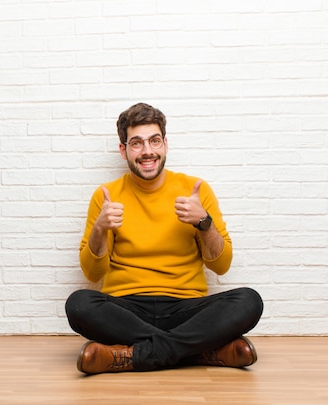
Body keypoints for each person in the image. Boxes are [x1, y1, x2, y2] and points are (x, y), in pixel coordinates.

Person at [65, 102, 263, 375]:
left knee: (249, 301)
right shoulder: (106, 196)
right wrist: (100, 229)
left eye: (154, 141)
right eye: (136, 143)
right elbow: (92, 272)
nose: (147, 151)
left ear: (165, 144)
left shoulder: (195, 190)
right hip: (128, 308)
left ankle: (128, 356)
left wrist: (204, 223)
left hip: (186, 306)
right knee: (79, 304)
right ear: (123, 150)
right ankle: (202, 351)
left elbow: (221, 266)